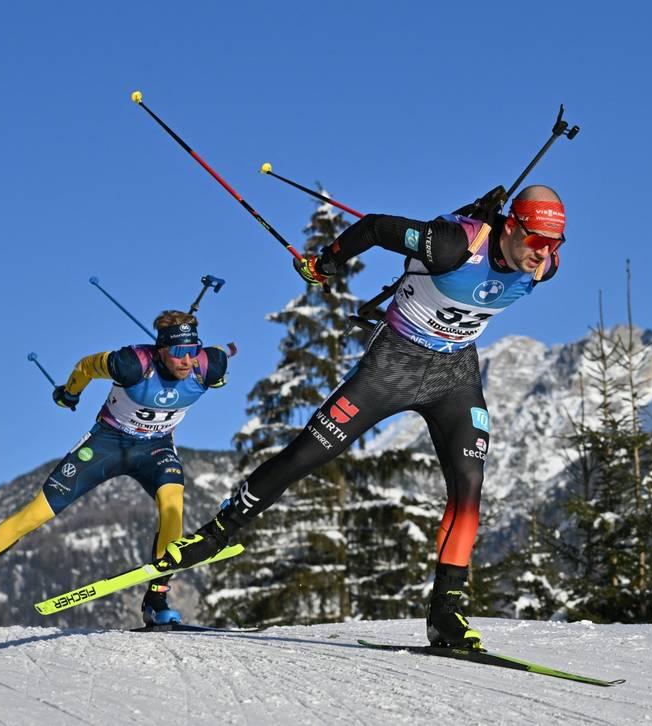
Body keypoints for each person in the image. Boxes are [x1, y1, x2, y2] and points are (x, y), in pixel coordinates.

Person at [158, 185, 566, 648]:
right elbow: (374, 226)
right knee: (307, 454)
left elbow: (529, 260)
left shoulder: (545, 266)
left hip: (455, 374)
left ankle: (446, 615)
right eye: (536, 241)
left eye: (555, 245)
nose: (544, 255)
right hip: (393, 364)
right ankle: (216, 534)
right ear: (511, 227)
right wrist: (326, 261)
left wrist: (529, 243)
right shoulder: (452, 244)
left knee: (469, 483)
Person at [0, 311, 231, 626]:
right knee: (36, 513)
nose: (187, 360)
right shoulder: (131, 364)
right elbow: (86, 365)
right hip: (107, 444)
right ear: (161, 350)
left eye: (193, 350)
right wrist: (70, 392)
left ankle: (157, 597)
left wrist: (220, 364)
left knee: (173, 506)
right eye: (178, 352)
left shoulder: (209, 366)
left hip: (155, 449)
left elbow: (219, 363)